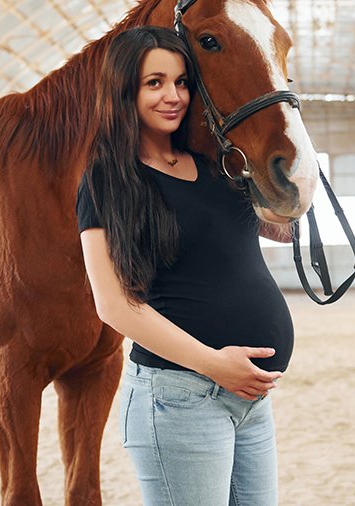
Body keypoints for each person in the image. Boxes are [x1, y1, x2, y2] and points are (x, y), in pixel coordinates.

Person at [77, 25, 295, 505]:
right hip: (178, 397)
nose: (172, 95)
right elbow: (113, 305)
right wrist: (215, 365)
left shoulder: (216, 164)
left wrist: (296, 183)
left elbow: (267, 232)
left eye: (181, 82)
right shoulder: (106, 180)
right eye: (154, 83)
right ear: (124, 91)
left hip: (250, 400)